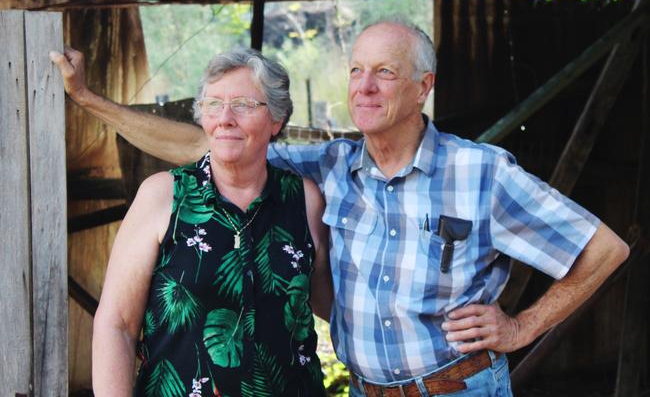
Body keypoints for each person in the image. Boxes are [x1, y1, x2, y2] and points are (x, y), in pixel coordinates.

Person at [52, 20, 629, 396]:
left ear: (423, 85)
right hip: (364, 390)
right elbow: (216, 140)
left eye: (385, 72)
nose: (365, 86)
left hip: (457, 387)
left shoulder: (481, 173)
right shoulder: (329, 168)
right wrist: (89, 100)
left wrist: (520, 326)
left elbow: (605, 249)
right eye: (356, 70)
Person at [77, 48, 332, 396]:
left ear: (277, 119)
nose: (225, 117)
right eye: (213, 104)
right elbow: (117, 325)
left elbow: (330, 303)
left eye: (243, 104)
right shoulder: (164, 196)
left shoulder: (303, 200)